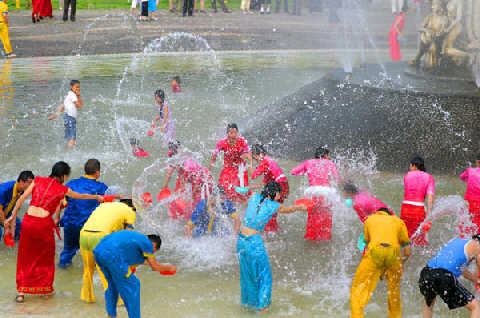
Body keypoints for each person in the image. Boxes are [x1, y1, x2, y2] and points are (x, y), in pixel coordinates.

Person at [4, 161, 104, 303]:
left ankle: (21, 292)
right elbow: (79, 196)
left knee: (25, 257)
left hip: (28, 222)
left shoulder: (37, 180)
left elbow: (21, 198)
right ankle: (44, 291)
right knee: (46, 258)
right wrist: (96, 197)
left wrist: (12, 216)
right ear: (63, 176)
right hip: (43, 225)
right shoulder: (62, 189)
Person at [238, 182, 308, 311]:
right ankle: (262, 307)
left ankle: (248, 303)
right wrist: (300, 207)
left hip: (241, 240)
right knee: (264, 275)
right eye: (279, 193)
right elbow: (290, 209)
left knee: (247, 273)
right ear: (275, 193)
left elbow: (245, 205)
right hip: (253, 242)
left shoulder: (253, 196)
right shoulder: (275, 206)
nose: (280, 195)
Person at [94, 231, 176, 318]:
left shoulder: (134, 241)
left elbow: (142, 261)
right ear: (155, 247)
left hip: (99, 251)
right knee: (134, 285)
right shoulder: (147, 243)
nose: (151, 253)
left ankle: (111, 316)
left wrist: (159, 265)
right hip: (113, 255)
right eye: (153, 251)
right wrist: (169, 268)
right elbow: (154, 267)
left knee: (112, 286)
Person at [350, 208, 411, 318]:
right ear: (389, 214)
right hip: (393, 254)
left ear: (377, 213)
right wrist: (402, 263)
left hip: (375, 252)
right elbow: (407, 251)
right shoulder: (398, 221)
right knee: (394, 291)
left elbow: (366, 244)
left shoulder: (370, 220)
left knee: (358, 288)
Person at [79, 199, 136, 303]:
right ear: (132, 207)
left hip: (83, 235)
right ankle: (117, 301)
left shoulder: (104, 206)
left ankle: (87, 297)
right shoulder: (129, 211)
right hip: (101, 236)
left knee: (88, 269)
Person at [58, 159, 109, 269]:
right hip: (88, 227)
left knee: (67, 251)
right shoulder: (101, 187)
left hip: (70, 224)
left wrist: (59, 219)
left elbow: (61, 201)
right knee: (95, 253)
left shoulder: (71, 183)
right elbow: (108, 204)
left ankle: (62, 270)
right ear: (97, 173)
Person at [419, 235, 480, 318]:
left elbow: (461, 269)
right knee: (476, 307)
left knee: (428, 304)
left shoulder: (456, 240)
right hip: (443, 276)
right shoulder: (478, 248)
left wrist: (475, 280)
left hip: (426, 272)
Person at [291, 146, 340, 240]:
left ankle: (311, 238)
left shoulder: (308, 162)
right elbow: (337, 177)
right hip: (327, 194)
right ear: (325, 155)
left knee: (313, 216)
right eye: (328, 155)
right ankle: (325, 238)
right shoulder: (329, 163)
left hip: (313, 193)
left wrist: (306, 171)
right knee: (326, 217)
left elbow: (293, 172)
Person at [163, 141, 214, 219]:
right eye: (170, 149)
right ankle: (184, 217)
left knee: (198, 203)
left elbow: (197, 183)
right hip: (191, 177)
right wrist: (167, 186)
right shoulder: (173, 157)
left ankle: (205, 217)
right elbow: (175, 173)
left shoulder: (188, 164)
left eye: (173, 149)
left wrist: (191, 196)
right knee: (180, 198)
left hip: (203, 179)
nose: (172, 151)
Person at [209, 123, 253, 204]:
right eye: (231, 133)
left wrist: (247, 159)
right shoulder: (222, 143)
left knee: (243, 193)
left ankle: (247, 209)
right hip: (228, 167)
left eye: (235, 133)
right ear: (227, 133)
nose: (233, 135)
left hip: (240, 168)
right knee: (223, 188)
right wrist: (209, 170)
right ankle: (226, 207)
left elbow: (249, 155)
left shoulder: (242, 141)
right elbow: (214, 156)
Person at [251, 144, 289, 232]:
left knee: (267, 207)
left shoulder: (264, 161)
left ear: (259, 154)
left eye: (254, 156)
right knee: (271, 209)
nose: (254, 159)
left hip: (278, 185)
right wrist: (248, 188)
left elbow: (253, 176)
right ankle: (274, 229)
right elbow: (264, 183)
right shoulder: (269, 162)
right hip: (284, 185)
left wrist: (250, 161)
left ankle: (270, 231)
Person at [401, 156, 435, 246]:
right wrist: (428, 217)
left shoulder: (407, 175)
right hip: (418, 210)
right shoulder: (429, 177)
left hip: (405, 209)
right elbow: (430, 198)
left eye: (410, 166)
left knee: (405, 237)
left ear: (414, 166)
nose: (409, 168)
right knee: (419, 239)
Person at [0, 171, 35, 241]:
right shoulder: (4, 190)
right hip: (1, 212)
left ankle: (14, 248)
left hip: (6, 212)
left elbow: (15, 211)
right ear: (21, 181)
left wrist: (12, 231)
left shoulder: (21, 191)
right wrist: (6, 227)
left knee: (19, 229)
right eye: (30, 183)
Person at [48, 80, 83, 148]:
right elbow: (80, 106)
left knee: (69, 138)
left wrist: (56, 114)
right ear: (71, 87)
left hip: (67, 117)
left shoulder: (69, 95)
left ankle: (66, 151)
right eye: (76, 87)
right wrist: (79, 96)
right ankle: (68, 153)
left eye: (79, 87)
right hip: (70, 118)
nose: (78, 89)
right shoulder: (73, 95)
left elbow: (63, 105)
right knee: (72, 139)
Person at [459, 152, 480, 236]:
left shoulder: (470, 170)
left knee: (469, 223)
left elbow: (462, 177)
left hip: (471, 203)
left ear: (477, 161)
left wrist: (470, 179)